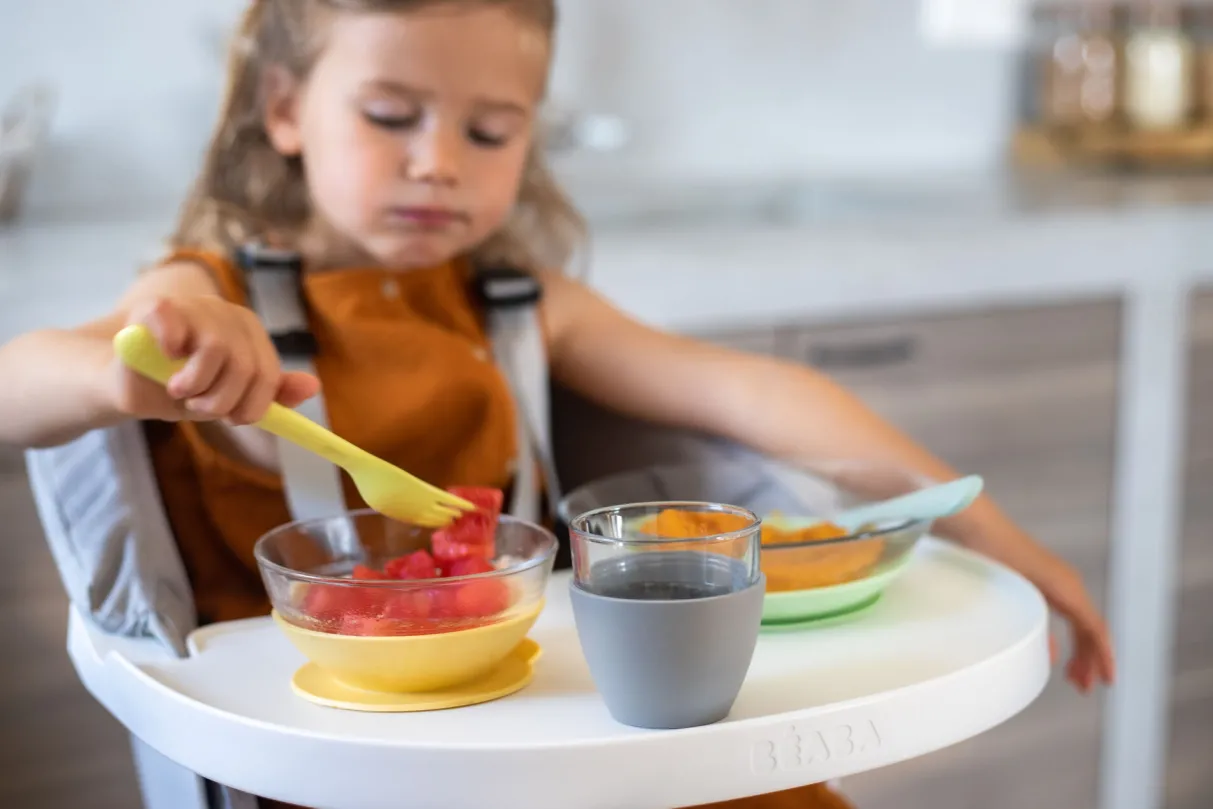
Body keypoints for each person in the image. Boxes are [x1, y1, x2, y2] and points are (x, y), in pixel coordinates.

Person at [0, 1, 1115, 807]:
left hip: (549, 727)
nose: (439, 162)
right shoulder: (211, 291)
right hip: (338, 758)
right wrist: (124, 370)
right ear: (285, 109)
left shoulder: (519, 306)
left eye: (490, 132)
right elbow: (23, 387)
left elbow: (763, 392)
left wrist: (990, 528)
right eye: (390, 114)